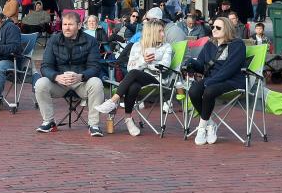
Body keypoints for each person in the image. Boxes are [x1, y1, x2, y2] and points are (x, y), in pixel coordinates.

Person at [96, 19, 172, 136]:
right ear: (151, 33)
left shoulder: (166, 47)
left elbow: (165, 67)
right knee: (133, 86)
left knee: (135, 74)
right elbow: (131, 67)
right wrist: (143, 61)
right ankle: (128, 119)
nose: (163, 34)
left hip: (156, 79)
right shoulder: (137, 46)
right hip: (137, 79)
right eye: (160, 31)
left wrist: (148, 63)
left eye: (163, 31)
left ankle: (113, 101)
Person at [34, 10, 104, 135]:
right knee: (40, 83)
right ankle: (49, 122)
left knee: (97, 83)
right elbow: (45, 66)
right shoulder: (53, 40)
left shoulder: (90, 41)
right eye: (64, 24)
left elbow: (95, 66)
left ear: (79, 25)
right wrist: (56, 77)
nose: (66, 28)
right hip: (60, 82)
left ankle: (94, 125)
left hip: (82, 82)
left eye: (70, 25)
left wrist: (81, 76)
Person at [183, 15, 248, 145]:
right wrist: (191, 63)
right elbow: (202, 66)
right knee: (193, 90)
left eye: (218, 27)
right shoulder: (209, 44)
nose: (214, 29)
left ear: (228, 29)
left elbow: (230, 69)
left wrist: (209, 82)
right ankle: (210, 124)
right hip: (212, 80)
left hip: (232, 80)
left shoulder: (237, 44)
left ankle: (201, 128)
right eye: (213, 26)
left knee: (209, 91)